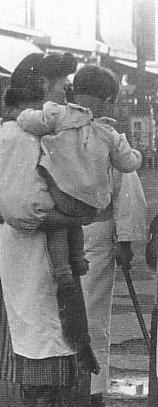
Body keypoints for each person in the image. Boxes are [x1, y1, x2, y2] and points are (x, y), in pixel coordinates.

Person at [0, 53, 99, 407]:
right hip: (34, 253)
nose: (66, 91)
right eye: (61, 83)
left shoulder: (17, 134)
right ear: (40, 87)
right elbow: (32, 210)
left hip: (30, 253)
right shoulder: (21, 138)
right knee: (47, 349)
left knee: (54, 345)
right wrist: (77, 213)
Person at [16, 65, 142, 290]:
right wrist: (137, 155)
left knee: (60, 229)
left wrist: (19, 115)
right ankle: (76, 260)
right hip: (91, 208)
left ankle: (63, 269)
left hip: (58, 195)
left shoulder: (58, 115)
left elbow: (29, 120)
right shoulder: (110, 134)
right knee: (76, 233)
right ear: (108, 101)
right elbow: (128, 167)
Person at [73, 67, 147, 407]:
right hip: (97, 232)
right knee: (91, 312)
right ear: (108, 100)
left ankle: (74, 386)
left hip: (60, 231)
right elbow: (127, 190)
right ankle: (89, 388)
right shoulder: (109, 135)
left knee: (61, 310)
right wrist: (127, 242)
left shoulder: (56, 127)